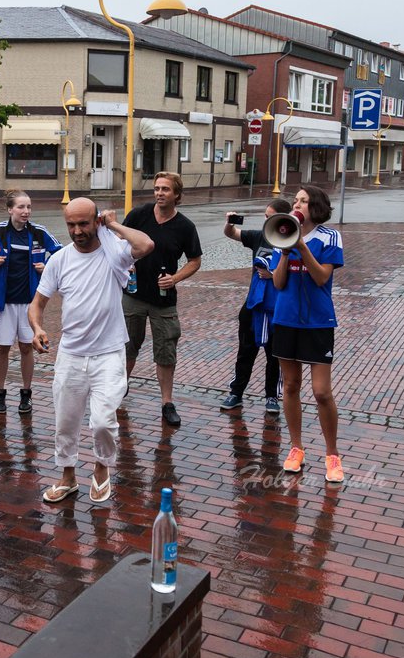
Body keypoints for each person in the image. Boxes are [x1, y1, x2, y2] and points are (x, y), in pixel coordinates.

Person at [28, 199, 153, 504]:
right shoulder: (60, 260)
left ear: (96, 221)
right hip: (70, 355)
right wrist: (37, 328)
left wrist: (112, 224)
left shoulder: (114, 253)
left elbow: (146, 244)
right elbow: (37, 304)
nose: (77, 231)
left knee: (102, 422)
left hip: (109, 353)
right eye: (71, 224)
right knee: (65, 423)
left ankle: (101, 468)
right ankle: (68, 478)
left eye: (84, 223)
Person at [270, 187, 345, 484]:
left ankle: (332, 453)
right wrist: (286, 252)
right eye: (295, 200)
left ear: (315, 207)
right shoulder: (281, 232)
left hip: (318, 321)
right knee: (290, 385)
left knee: (321, 392)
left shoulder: (330, 237)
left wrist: (301, 246)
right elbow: (278, 283)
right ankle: (296, 448)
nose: (297, 204)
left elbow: (321, 277)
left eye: (303, 201)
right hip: (286, 319)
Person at [121, 172, 202, 427]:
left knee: (166, 352)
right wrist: (126, 265)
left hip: (163, 299)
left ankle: (167, 403)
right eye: (157, 188)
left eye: (165, 189)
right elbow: (120, 240)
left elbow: (195, 261)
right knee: (126, 347)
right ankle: (118, 390)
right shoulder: (139, 215)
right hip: (133, 294)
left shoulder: (185, 227)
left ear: (176, 194)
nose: (159, 193)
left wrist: (175, 278)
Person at [0, 190, 61, 414]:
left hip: (30, 304)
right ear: (10, 209)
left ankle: (26, 395)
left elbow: (60, 252)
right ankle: (0, 394)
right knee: (2, 349)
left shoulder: (39, 232)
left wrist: (47, 265)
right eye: (21, 207)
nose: (26, 211)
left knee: (26, 348)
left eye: (29, 207)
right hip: (4, 303)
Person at [221, 198, 292, 416]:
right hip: (254, 305)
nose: (266, 220)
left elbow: (296, 275)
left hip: (277, 308)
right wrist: (229, 223)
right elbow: (232, 234)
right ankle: (236, 393)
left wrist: (273, 275)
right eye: (265, 216)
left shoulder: (291, 241)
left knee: (275, 356)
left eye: (271, 216)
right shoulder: (259, 236)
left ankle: (272, 396)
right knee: (246, 352)